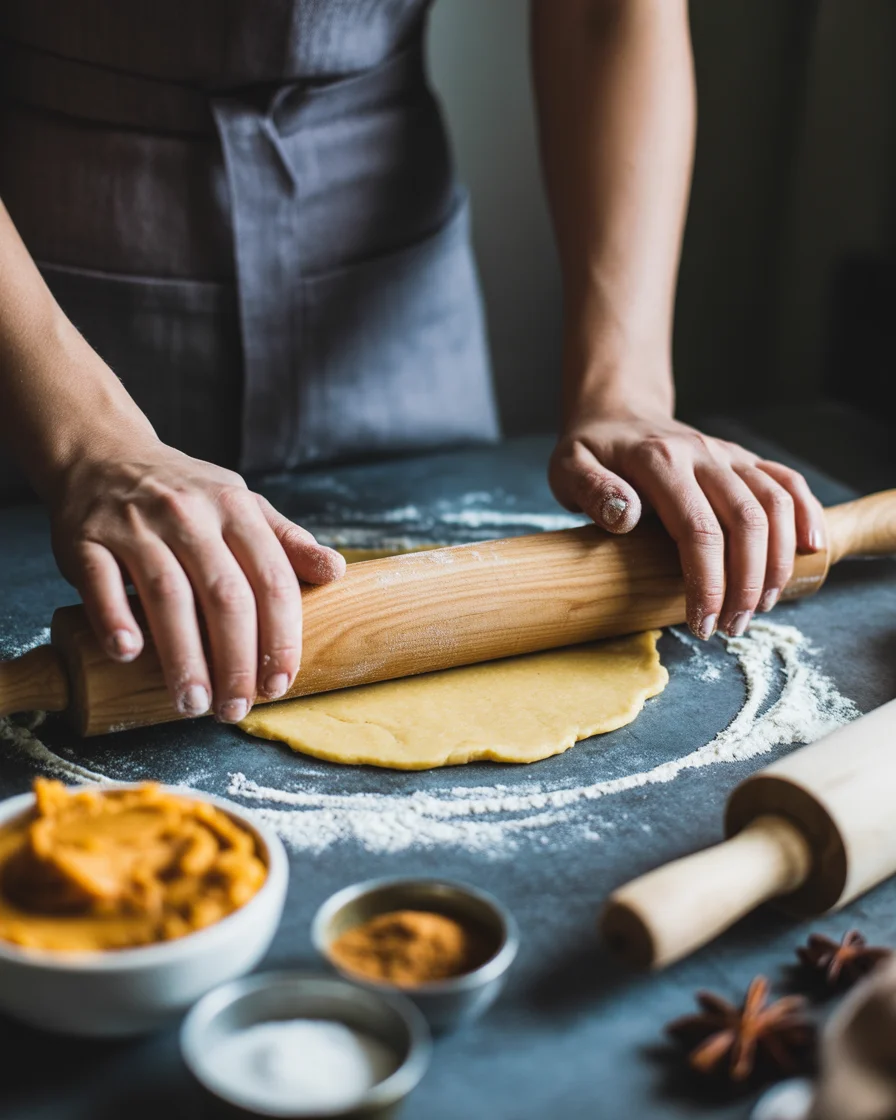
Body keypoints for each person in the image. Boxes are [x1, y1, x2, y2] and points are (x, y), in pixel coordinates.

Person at [0, 0, 826, 724]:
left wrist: (628, 391)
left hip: (385, 284)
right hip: (37, 313)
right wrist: (84, 441)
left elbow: (607, 11)